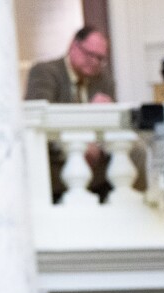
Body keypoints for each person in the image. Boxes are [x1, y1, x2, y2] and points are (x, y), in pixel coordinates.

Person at [25, 26, 119, 201]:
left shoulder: (104, 79)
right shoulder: (45, 72)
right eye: (89, 54)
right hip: (56, 173)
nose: (94, 62)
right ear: (73, 46)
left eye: (100, 58)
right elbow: (37, 124)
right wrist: (82, 137)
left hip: (97, 175)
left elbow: (112, 126)